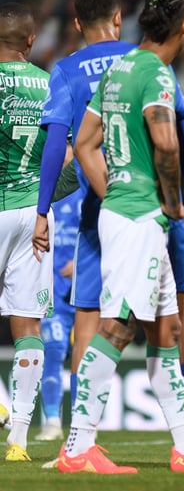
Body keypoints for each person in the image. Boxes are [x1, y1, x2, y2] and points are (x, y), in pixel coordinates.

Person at [59, 0, 184, 473]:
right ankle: (77, 448)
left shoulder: (119, 69)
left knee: (168, 329)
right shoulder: (155, 73)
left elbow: (84, 142)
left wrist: (113, 192)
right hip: (143, 218)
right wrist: (171, 203)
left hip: (128, 211)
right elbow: (167, 143)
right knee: (118, 327)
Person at [0, 1, 52, 462]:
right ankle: (17, 439)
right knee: (28, 325)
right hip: (34, 214)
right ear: (30, 40)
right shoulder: (50, 84)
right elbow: (69, 154)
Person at [36, 184, 82, 442]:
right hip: (52, 290)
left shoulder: (84, 189)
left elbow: (101, 230)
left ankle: (82, 421)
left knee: (83, 355)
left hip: (85, 287)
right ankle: (52, 421)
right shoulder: (45, 191)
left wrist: (80, 259)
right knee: (53, 352)